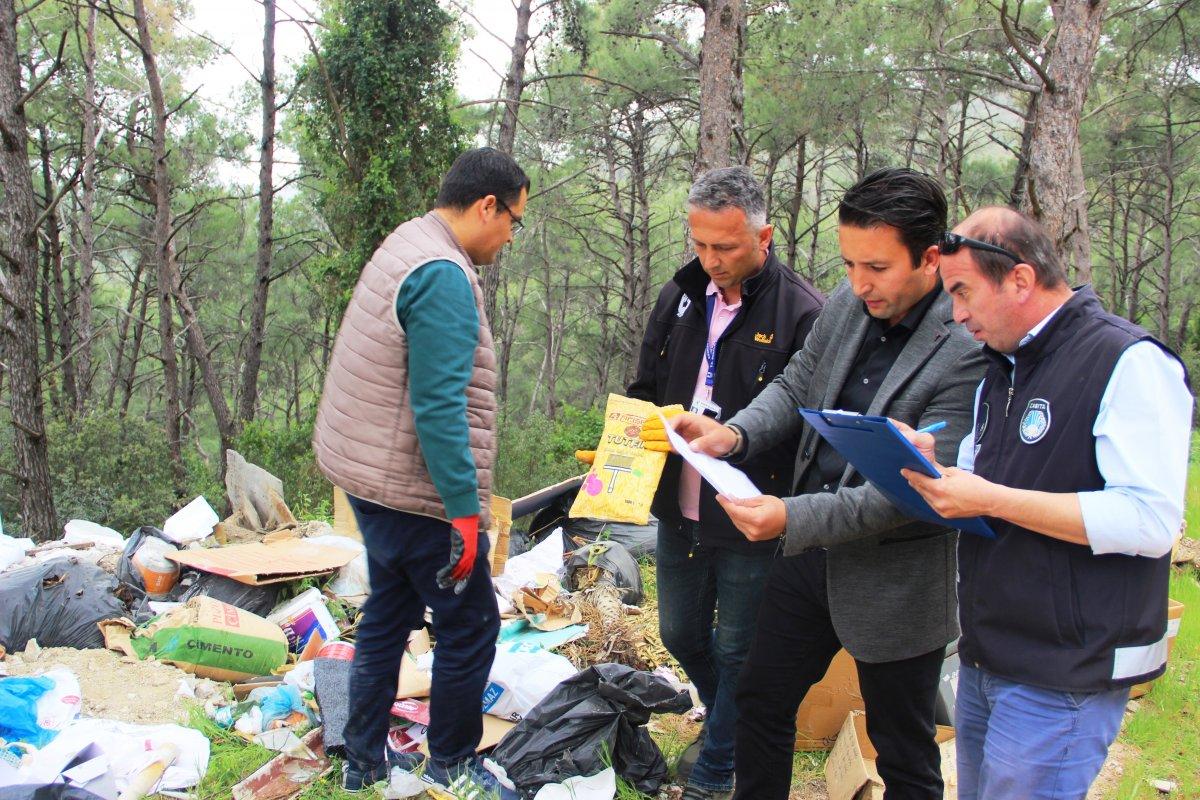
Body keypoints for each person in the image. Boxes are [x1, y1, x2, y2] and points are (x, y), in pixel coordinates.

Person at [651, 167, 986, 799]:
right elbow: (797, 384)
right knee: (759, 700)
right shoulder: (847, 306)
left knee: (903, 749)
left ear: (930, 257)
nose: (859, 284)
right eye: (850, 264)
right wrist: (735, 435)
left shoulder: (965, 344)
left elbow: (914, 491)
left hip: (895, 577)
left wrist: (789, 517)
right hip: (810, 559)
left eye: (877, 268)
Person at [898, 207, 1193, 799]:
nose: (956, 314)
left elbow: (1151, 521)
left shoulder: (1128, 361)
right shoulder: (1001, 370)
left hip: (1066, 667)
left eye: (963, 292)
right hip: (989, 652)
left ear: (1020, 279)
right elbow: (993, 487)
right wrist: (938, 469)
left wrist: (993, 497)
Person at [312, 147, 528, 796]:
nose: (511, 236)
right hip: (413, 492)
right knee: (470, 624)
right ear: (486, 206)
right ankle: (453, 766)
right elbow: (439, 406)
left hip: (368, 477)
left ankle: (362, 763)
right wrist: (464, 512)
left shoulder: (411, 239)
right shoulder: (443, 276)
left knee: (390, 610)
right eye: (514, 220)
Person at [620, 166, 823, 800]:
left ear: (764, 236)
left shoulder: (802, 311)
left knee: (739, 648)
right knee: (680, 633)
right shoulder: (681, 295)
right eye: (700, 244)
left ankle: (714, 770)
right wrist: (625, 442)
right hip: (679, 503)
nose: (711, 260)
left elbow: (804, 422)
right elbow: (646, 388)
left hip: (748, 508)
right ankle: (728, 721)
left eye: (726, 247)